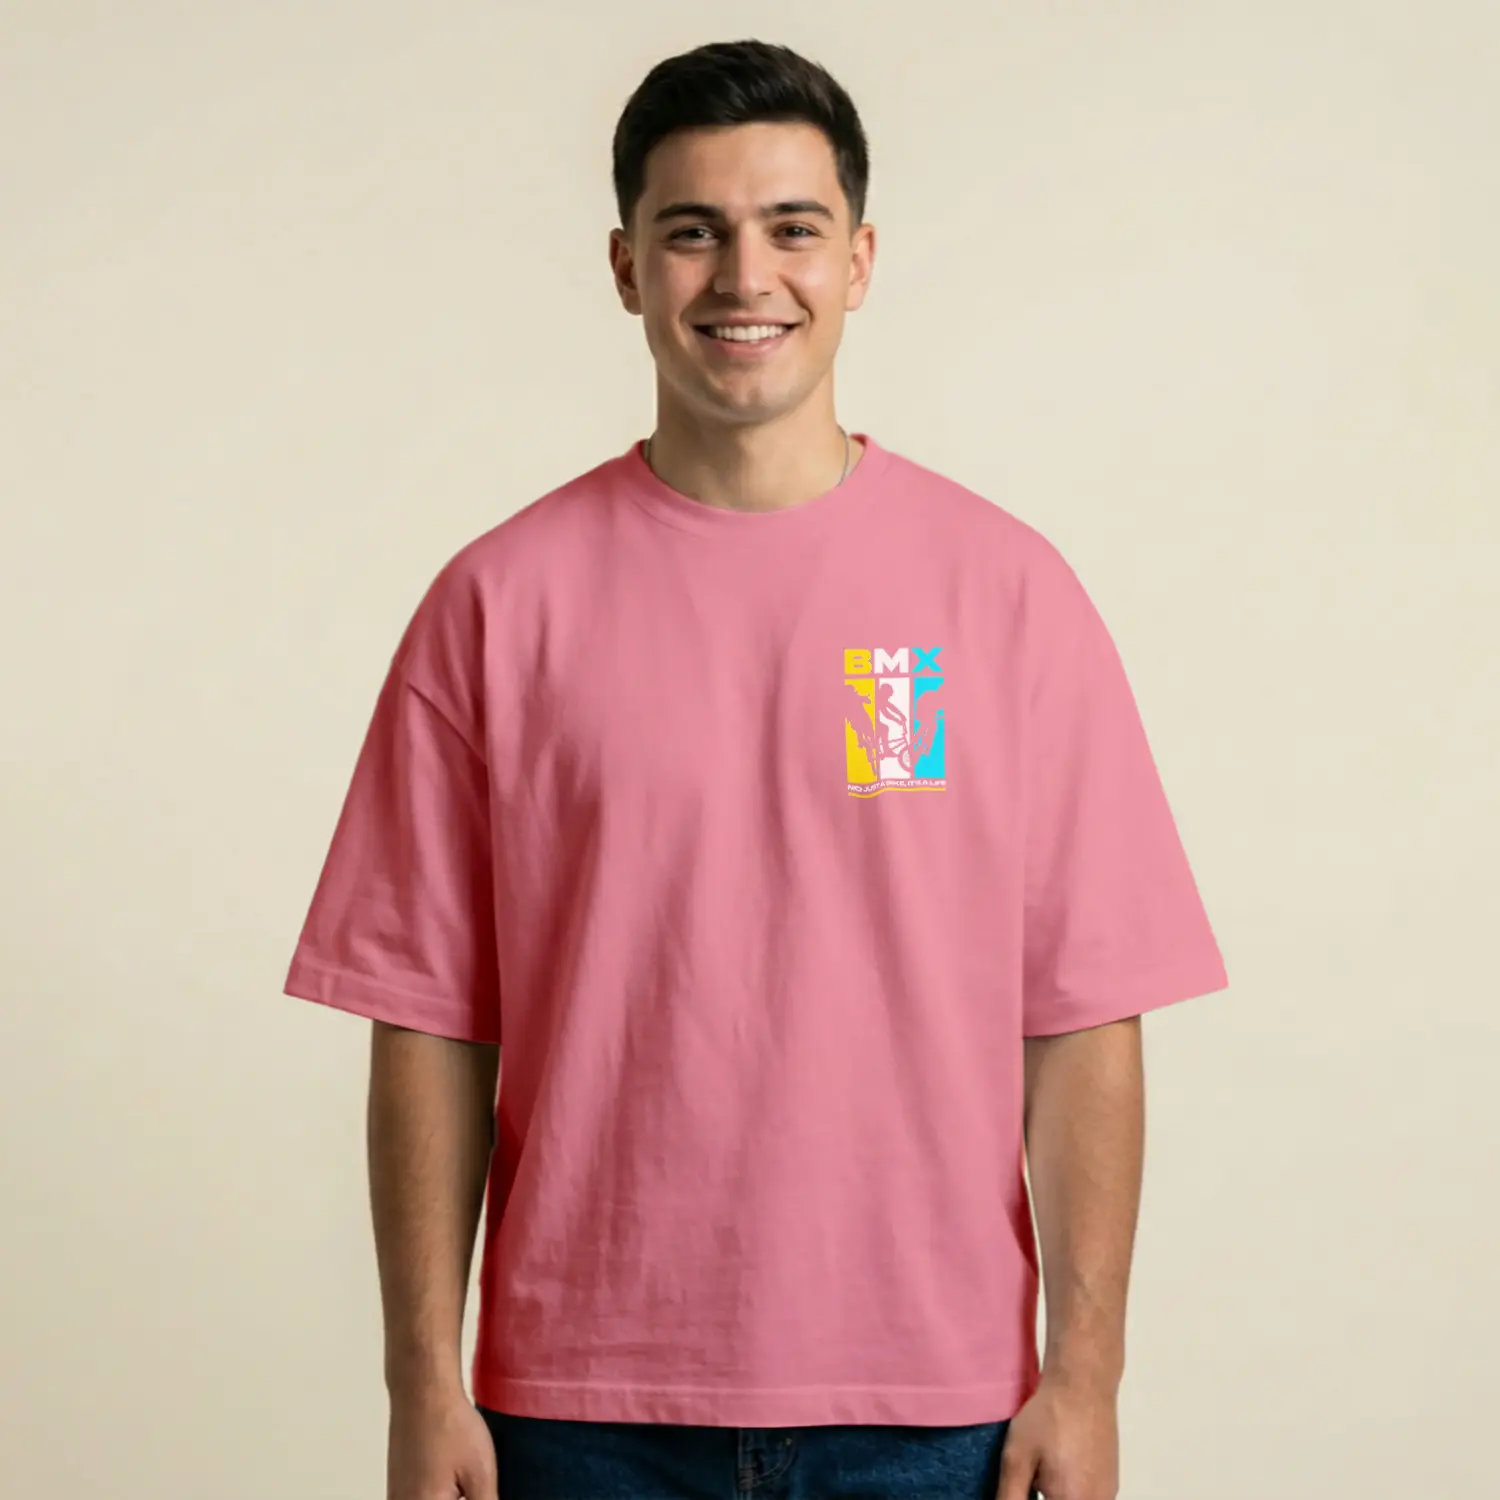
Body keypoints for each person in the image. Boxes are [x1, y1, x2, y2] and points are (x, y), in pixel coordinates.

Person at [283, 37, 1228, 1500]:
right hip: (578, 1408)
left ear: (859, 261)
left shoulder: (1004, 595)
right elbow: (428, 1022)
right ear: (624, 267)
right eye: (692, 231)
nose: (745, 276)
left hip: (938, 1410)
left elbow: (1084, 1013)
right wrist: (421, 1385)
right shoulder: (497, 606)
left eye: (791, 228)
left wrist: (1086, 1376)